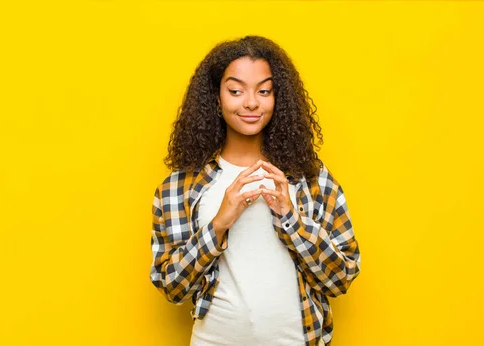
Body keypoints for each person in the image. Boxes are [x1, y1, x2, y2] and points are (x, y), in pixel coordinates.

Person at [150, 35, 361, 346]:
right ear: (216, 97)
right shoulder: (178, 187)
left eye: (264, 91)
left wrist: (290, 217)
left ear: (278, 98)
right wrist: (219, 224)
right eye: (236, 91)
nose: (251, 102)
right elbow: (172, 287)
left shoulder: (310, 178)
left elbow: (341, 277)